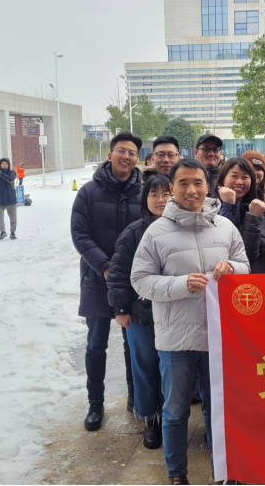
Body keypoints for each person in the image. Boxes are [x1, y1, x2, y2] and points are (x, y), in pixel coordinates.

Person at [131, 158, 250, 486]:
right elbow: (140, 280)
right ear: (172, 188)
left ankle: (222, 472)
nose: (191, 189)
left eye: (197, 182)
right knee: (175, 411)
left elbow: (245, 266)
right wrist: (181, 284)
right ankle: (177, 474)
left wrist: (232, 268)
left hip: (218, 339)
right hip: (176, 341)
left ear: (207, 186)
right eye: (183, 183)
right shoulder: (156, 232)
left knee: (218, 410)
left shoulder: (225, 227)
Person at [71, 132, 143, 433]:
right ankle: (95, 404)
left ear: (137, 158)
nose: (126, 156)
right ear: (110, 154)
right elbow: (80, 234)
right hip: (97, 277)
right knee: (96, 344)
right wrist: (104, 267)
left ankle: (135, 397)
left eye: (132, 152)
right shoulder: (88, 192)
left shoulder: (144, 191)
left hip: (134, 281)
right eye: (121, 150)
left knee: (133, 343)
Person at [107, 175, 171, 451]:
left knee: (170, 370)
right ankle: (149, 419)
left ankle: (170, 418)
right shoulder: (134, 232)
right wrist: (121, 309)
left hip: (174, 315)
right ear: (145, 200)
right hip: (140, 315)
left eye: (166, 194)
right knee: (144, 367)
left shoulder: (182, 228)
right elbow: (118, 273)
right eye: (154, 195)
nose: (161, 200)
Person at [215, 157, 258, 228]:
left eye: (245, 177)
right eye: (234, 176)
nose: (239, 182)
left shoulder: (257, 208)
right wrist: (229, 205)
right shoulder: (211, 207)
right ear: (223, 179)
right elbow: (226, 232)